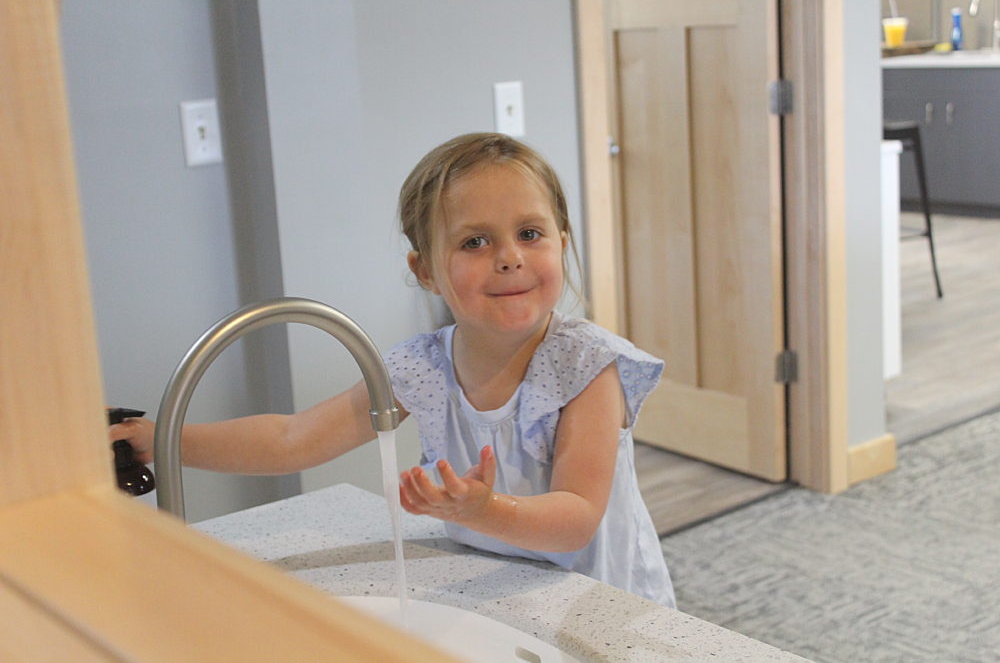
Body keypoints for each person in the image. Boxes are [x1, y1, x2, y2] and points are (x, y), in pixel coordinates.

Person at [111, 133, 675, 608]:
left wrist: (483, 508)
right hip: (498, 588)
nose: (509, 256)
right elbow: (292, 439)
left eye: (530, 233)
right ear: (425, 269)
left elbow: (576, 517)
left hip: (601, 603)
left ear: (561, 242)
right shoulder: (423, 368)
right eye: (475, 241)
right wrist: (159, 441)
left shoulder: (585, 366)